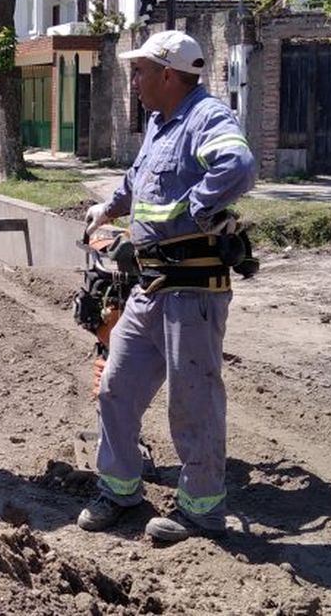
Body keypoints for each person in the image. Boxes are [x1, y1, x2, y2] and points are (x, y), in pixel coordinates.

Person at [77, 30, 256, 543]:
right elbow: (137, 183)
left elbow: (238, 166)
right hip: (150, 287)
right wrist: (108, 209)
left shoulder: (207, 118)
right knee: (116, 389)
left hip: (193, 290)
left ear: (170, 76)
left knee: (192, 401)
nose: (133, 82)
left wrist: (194, 210)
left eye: (140, 72)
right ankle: (119, 488)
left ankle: (201, 510)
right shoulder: (160, 123)